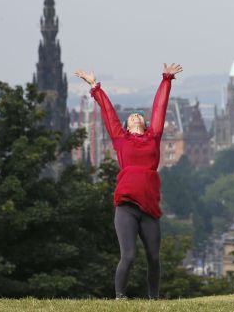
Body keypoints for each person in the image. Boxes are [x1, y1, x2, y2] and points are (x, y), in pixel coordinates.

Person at [74, 63, 183, 300]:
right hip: (126, 207)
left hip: (149, 208)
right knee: (129, 255)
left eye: (138, 116)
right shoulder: (120, 139)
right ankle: (120, 296)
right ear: (126, 125)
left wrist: (166, 80)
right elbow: (109, 113)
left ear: (144, 124)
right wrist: (95, 87)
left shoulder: (153, 138)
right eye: (132, 116)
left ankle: (154, 298)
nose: (135, 116)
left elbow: (159, 110)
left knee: (154, 257)